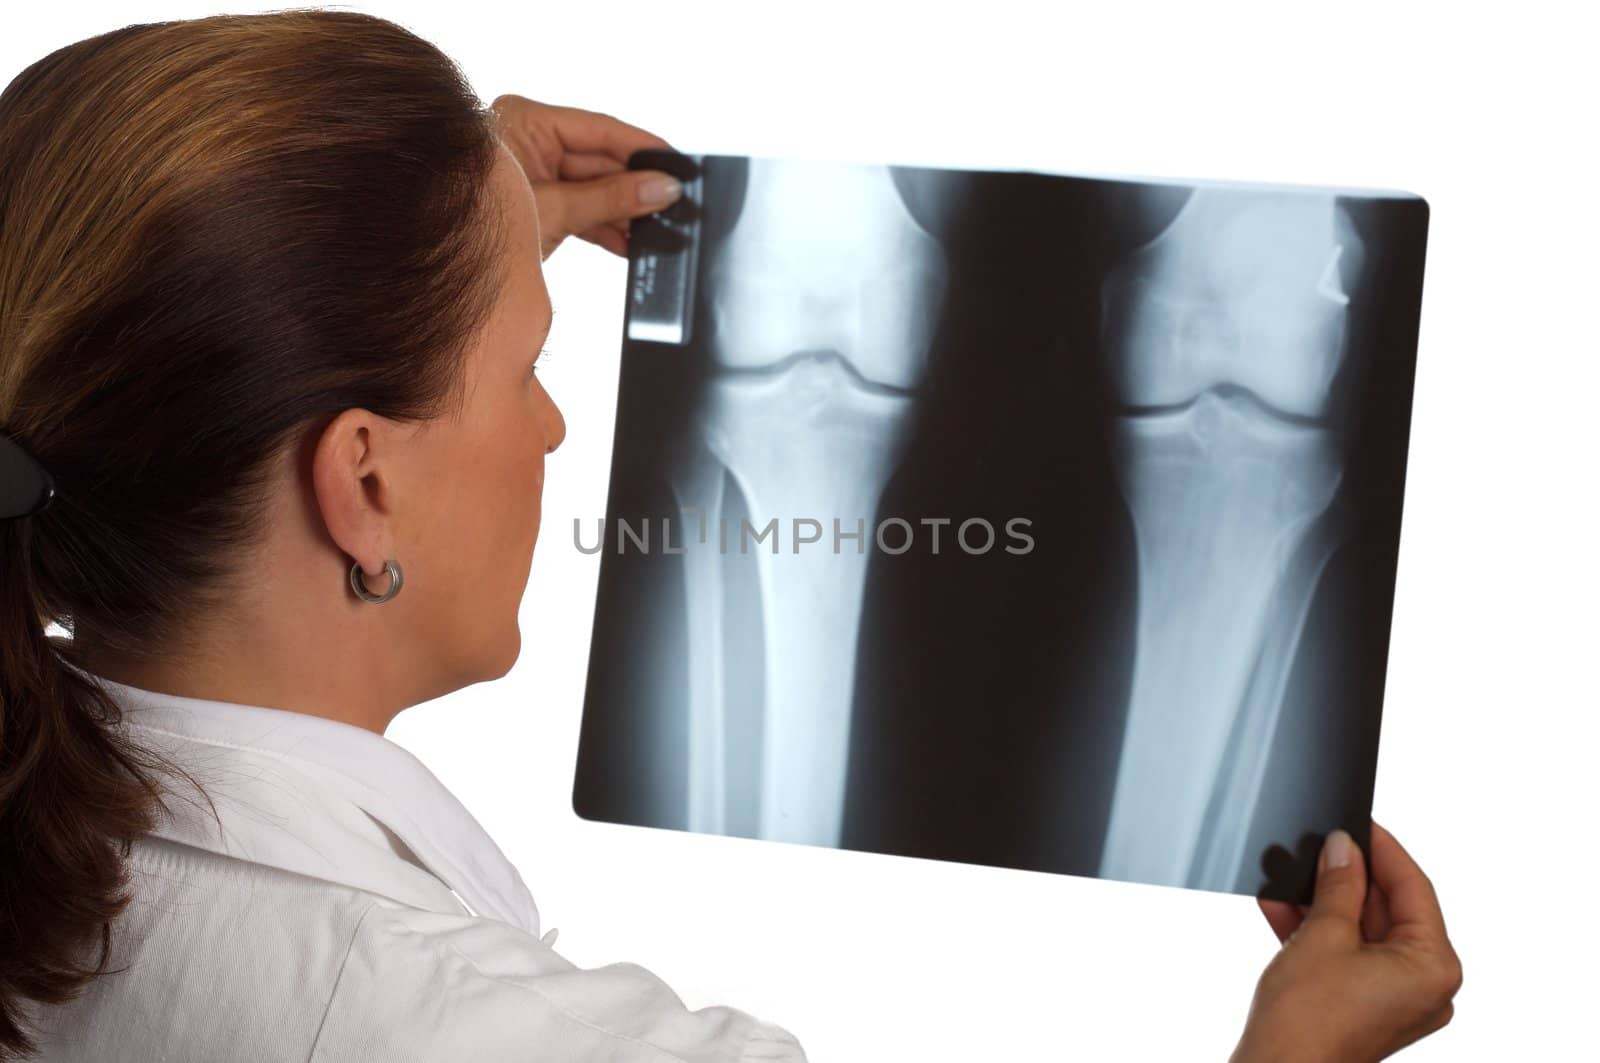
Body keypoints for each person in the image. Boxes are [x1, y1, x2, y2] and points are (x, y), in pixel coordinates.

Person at [0, 10, 1460, 1062]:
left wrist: (435, 216)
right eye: (527, 369)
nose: (560, 431)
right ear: (362, 484)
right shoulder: (456, 1027)